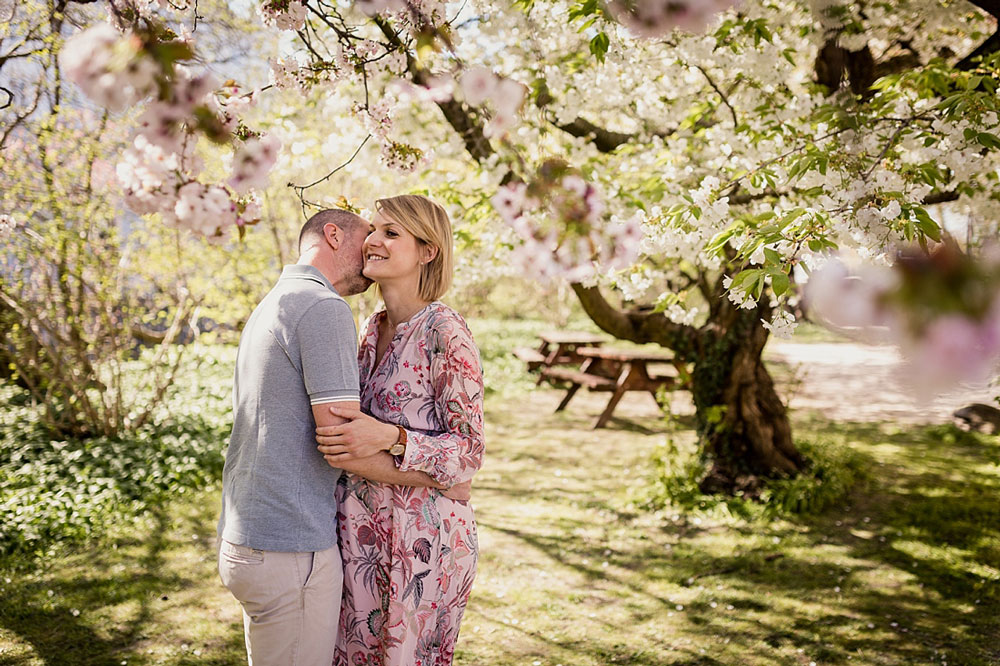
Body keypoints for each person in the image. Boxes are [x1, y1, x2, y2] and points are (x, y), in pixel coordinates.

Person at [217, 208, 448, 666]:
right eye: (366, 238)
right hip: (290, 544)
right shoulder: (323, 307)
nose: (371, 252)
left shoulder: (275, 301)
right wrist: (438, 477)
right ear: (332, 234)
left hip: (248, 535)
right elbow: (340, 440)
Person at [315, 194, 484, 666]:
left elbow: (468, 452)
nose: (372, 240)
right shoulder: (370, 327)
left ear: (427, 251)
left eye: (392, 233)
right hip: (359, 536)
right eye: (374, 229)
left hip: (423, 544)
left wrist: (393, 438)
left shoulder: (444, 330)